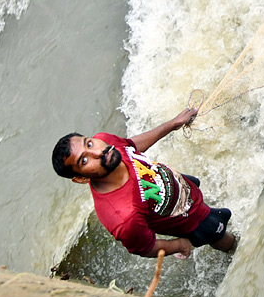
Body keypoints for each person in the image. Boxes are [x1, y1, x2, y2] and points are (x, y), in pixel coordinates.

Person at [51, 107, 237, 258]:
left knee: (196, 185)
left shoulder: (105, 142)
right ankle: (236, 255)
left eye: (89, 144)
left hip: (177, 183)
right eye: (84, 160)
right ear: (82, 178)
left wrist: (172, 124)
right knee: (221, 236)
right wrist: (180, 245)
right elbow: (145, 248)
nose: (98, 152)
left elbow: (130, 145)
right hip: (192, 220)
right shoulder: (123, 216)